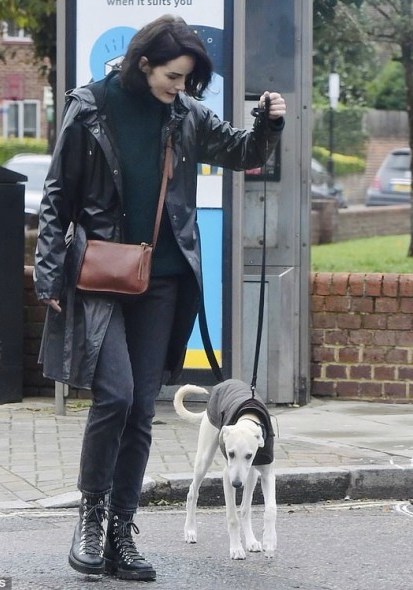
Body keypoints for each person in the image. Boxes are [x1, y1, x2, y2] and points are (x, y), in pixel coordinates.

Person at [34, 13, 286, 582]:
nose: (182, 87)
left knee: (142, 412)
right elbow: (56, 194)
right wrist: (48, 272)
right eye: (174, 76)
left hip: (165, 279)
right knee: (116, 398)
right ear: (144, 62)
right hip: (101, 273)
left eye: (189, 79)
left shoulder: (185, 114)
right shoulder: (90, 105)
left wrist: (267, 125)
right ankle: (91, 518)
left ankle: (123, 533)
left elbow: (243, 151)